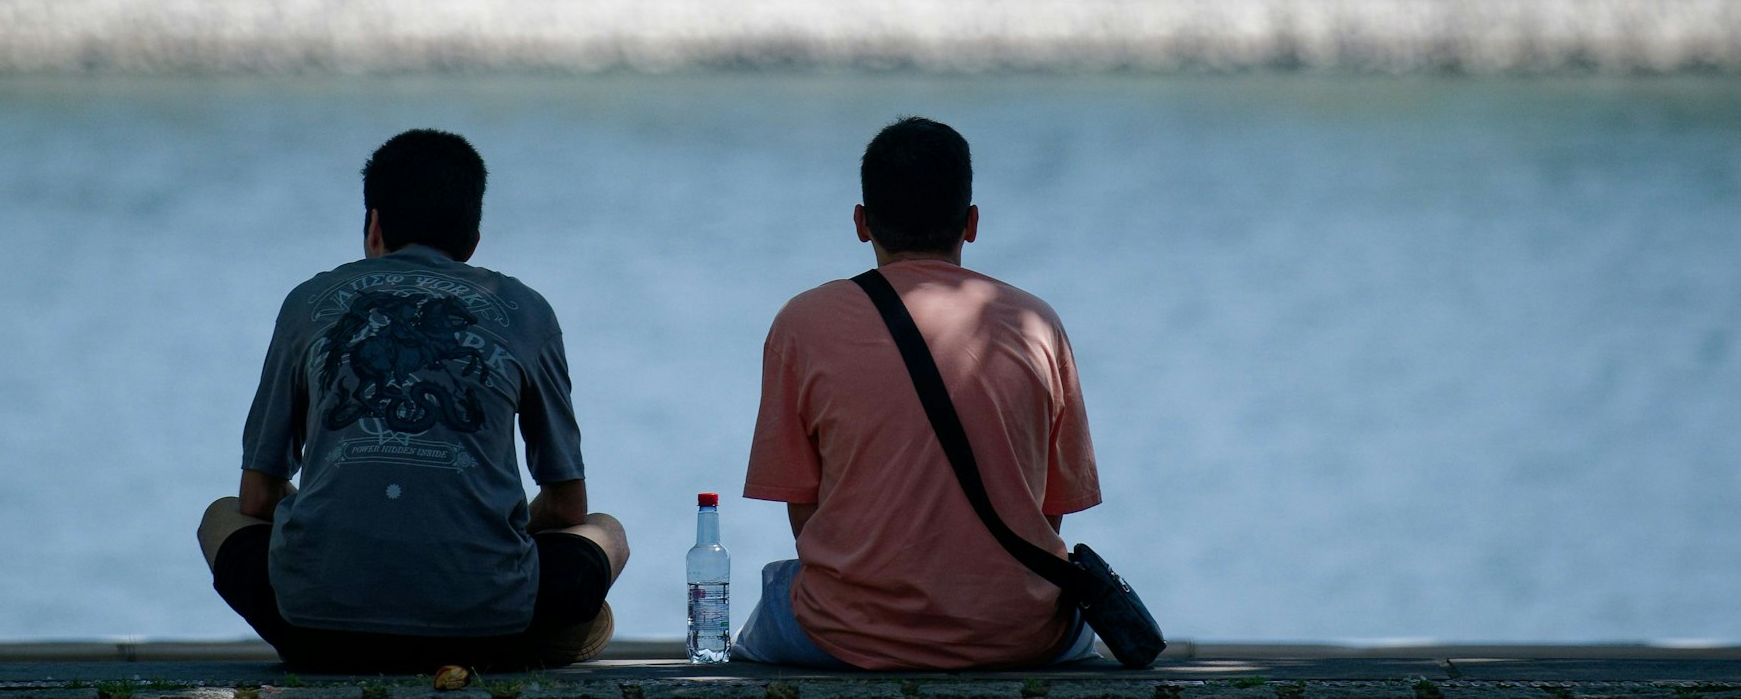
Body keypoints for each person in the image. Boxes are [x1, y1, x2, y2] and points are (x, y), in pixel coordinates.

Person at [196, 129, 629, 672]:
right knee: (607, 532)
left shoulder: (307, 304)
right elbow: (568, 508)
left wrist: (325, 513)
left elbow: (256, 498)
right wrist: (491, 526)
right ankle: (529, 639)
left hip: (314, 631)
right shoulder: (527, 311)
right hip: (489, 628)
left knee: (220, 516)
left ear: (374, 226)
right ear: (472, 241)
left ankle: (350, 630)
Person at [733, 117, 1102, 670]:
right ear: (971, 223)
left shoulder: (802, 324)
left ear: (861, 223)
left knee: (766, 609)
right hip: (1019, 632)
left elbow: (804, 516)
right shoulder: (1037, 324)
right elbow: (1051, 515)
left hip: (848, 632)